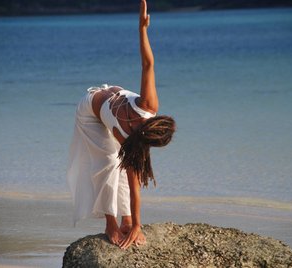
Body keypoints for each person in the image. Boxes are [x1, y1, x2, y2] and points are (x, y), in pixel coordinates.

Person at [66, 0, 176, 250]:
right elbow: (147, 63)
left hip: (110, 105)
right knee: (107, 165)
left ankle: (126, 220)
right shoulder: (146, 107)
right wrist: (142, 29)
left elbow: (149, 65)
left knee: (124, 167)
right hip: (89, 110)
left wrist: (136, 223)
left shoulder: (148, 109)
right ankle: (111, 224)